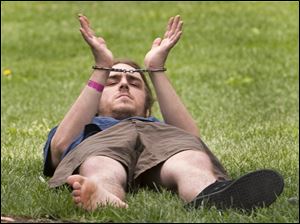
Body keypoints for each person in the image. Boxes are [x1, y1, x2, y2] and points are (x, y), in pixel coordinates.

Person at [43, 14, 284, 212]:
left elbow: (192, 138)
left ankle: (210, 196)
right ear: (95, 102)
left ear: (148, 106)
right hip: (103, 142)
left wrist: (155, 69)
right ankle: (104, 196)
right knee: (100, 164)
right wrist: (101, 68)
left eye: (135, 82)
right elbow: (59, 146)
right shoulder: (87, 127)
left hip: (156, 142)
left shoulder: (158, 127)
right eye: (112, 81)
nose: (124, 84)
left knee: (191, 158)